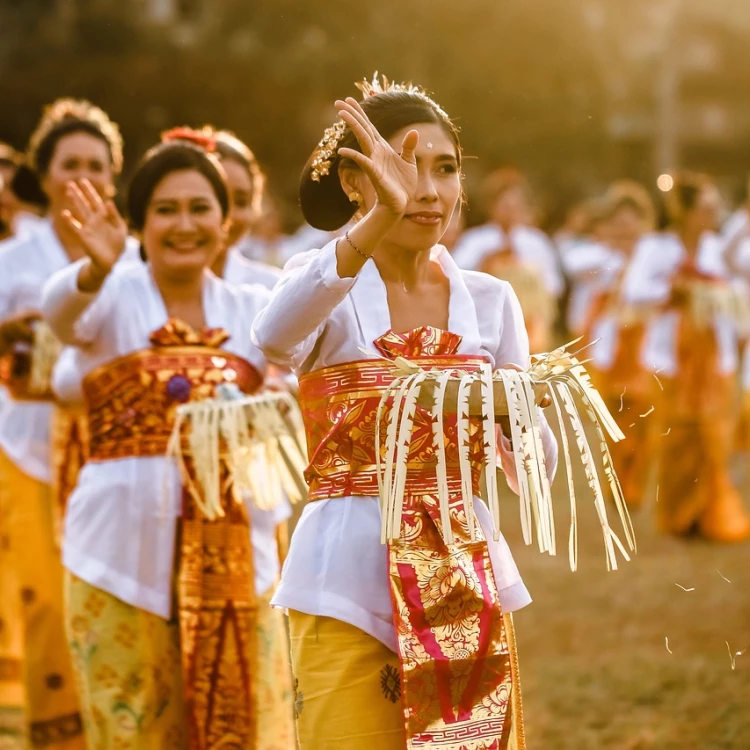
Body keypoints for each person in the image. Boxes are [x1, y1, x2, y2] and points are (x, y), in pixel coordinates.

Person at [252, 76, 557, 749]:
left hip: (459, 576)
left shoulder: (491, 298)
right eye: (401, 166)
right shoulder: (326, 278)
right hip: (341, 577)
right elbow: (272, 337)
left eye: (444, 168)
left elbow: (535, 466)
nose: (427, 188)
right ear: (357, 183)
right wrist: (371, 227)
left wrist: (518, 409)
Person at [42, 135, 294, 749]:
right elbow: (60, 318)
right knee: (129, 729)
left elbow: (291, 392)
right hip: (116, 563)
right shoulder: (112, 295)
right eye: (166, 210)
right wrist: (96, 268)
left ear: (225, 218)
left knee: (243, 727)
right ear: (139, 222)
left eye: (200, 207)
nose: (185, 225)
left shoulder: (255, 308)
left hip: (237, 562)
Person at [0, 97, 125, 750]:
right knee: (47, 600)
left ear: (113, 176)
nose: (83, 176)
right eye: (69, 163)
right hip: (28, 446)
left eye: (97, 165)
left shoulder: (134, 256)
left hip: (115, 447)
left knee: (112, 590)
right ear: (43, 176)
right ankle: (58, 738)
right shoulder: (14, 258)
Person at [624, 172, 750, 541]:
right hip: (667, 355)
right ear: (687, 212)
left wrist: (714, 295)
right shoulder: (655, 247)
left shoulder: (719, 248)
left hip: (715, 356)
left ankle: (709, 514)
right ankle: (678, 515)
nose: (714, 213)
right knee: (676, 434)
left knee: (713, 435)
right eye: (708, 207)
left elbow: (738, 289)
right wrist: (674, 290)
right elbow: (635, 292)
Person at [586, 182, 659, 509]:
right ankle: (614, 485)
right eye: (620, 223)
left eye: (633, 222)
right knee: (613, 420)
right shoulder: (601, 261)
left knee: (641, 421)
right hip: (612, 350)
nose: (626, 229)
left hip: (644, 347)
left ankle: (633, 487)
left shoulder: (655, 260)